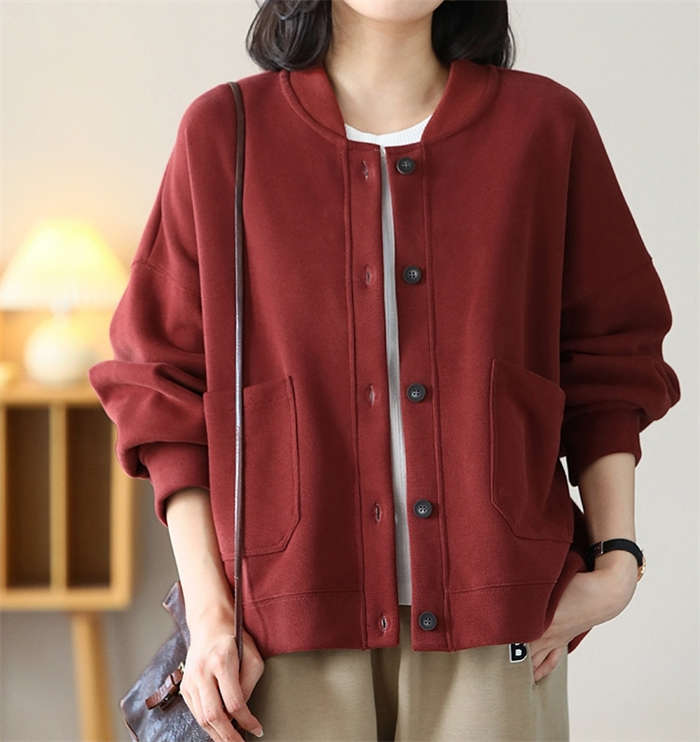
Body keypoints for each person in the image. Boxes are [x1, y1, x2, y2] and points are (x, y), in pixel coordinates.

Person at [88, 1, 681, 740]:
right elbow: (161, 383)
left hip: (499, 622)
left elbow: (610, 355)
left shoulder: (544, 128)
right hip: (277, 630)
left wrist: (618, 562)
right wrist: (211, 616)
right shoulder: (225, 133)